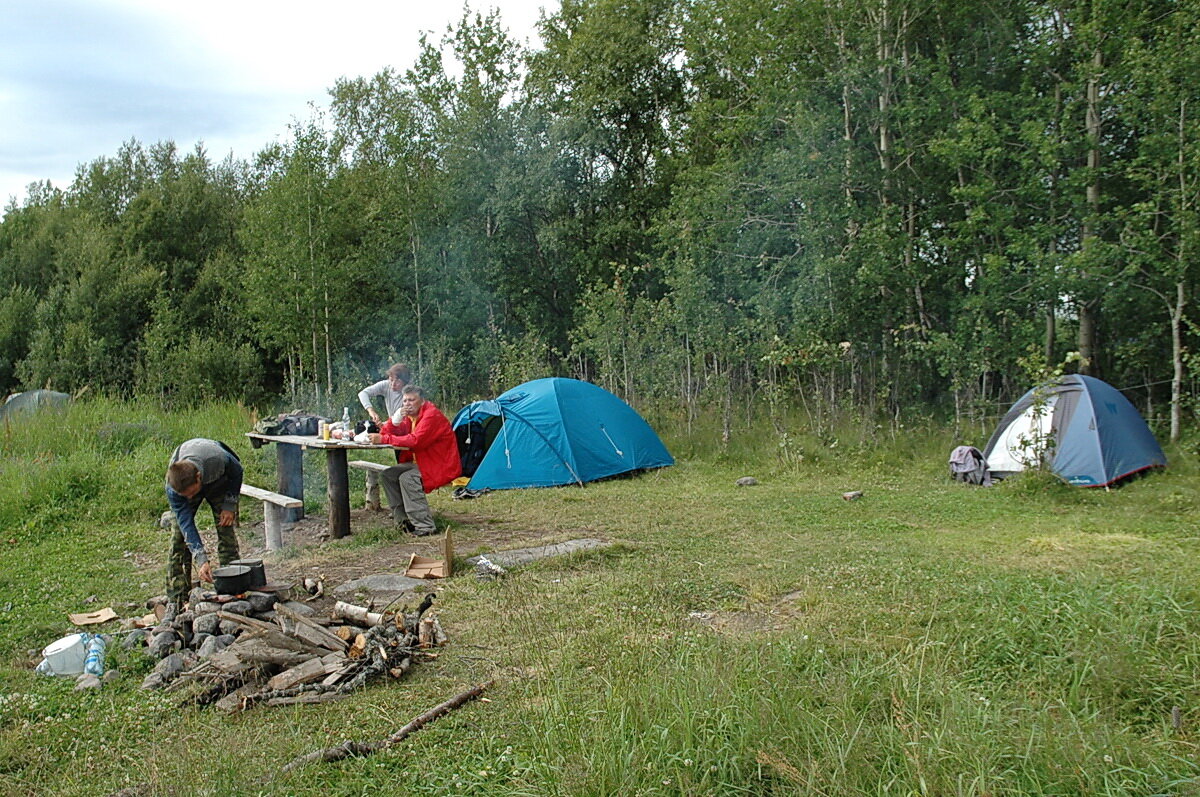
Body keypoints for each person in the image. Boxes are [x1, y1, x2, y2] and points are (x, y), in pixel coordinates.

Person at [163, 439, 243, 619]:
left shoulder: (217, 459)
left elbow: (237, 471)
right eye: (187, 496)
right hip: (193, 480)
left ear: (198, 477)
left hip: (219, 481)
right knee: (178, 540)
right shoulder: (174, 489)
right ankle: (177, 599)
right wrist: (201, 558)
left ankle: (232, 586)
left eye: (192, 492)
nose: (191, 497)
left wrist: (230, 505)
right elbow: (186, 525)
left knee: (226, 530)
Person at [368, 385, 461, 536]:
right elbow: (387, 432)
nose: (407, 404)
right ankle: (403, 521)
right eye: (404, 401)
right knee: (388, 474)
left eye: (411, 400)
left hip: (439, 465)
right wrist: (395, 419)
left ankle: (425, 526)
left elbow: (415, 441)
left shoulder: (431, 415)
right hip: (421, 463)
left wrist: (383, 438)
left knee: (407, 478)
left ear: (422, 401)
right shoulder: (409, 417)